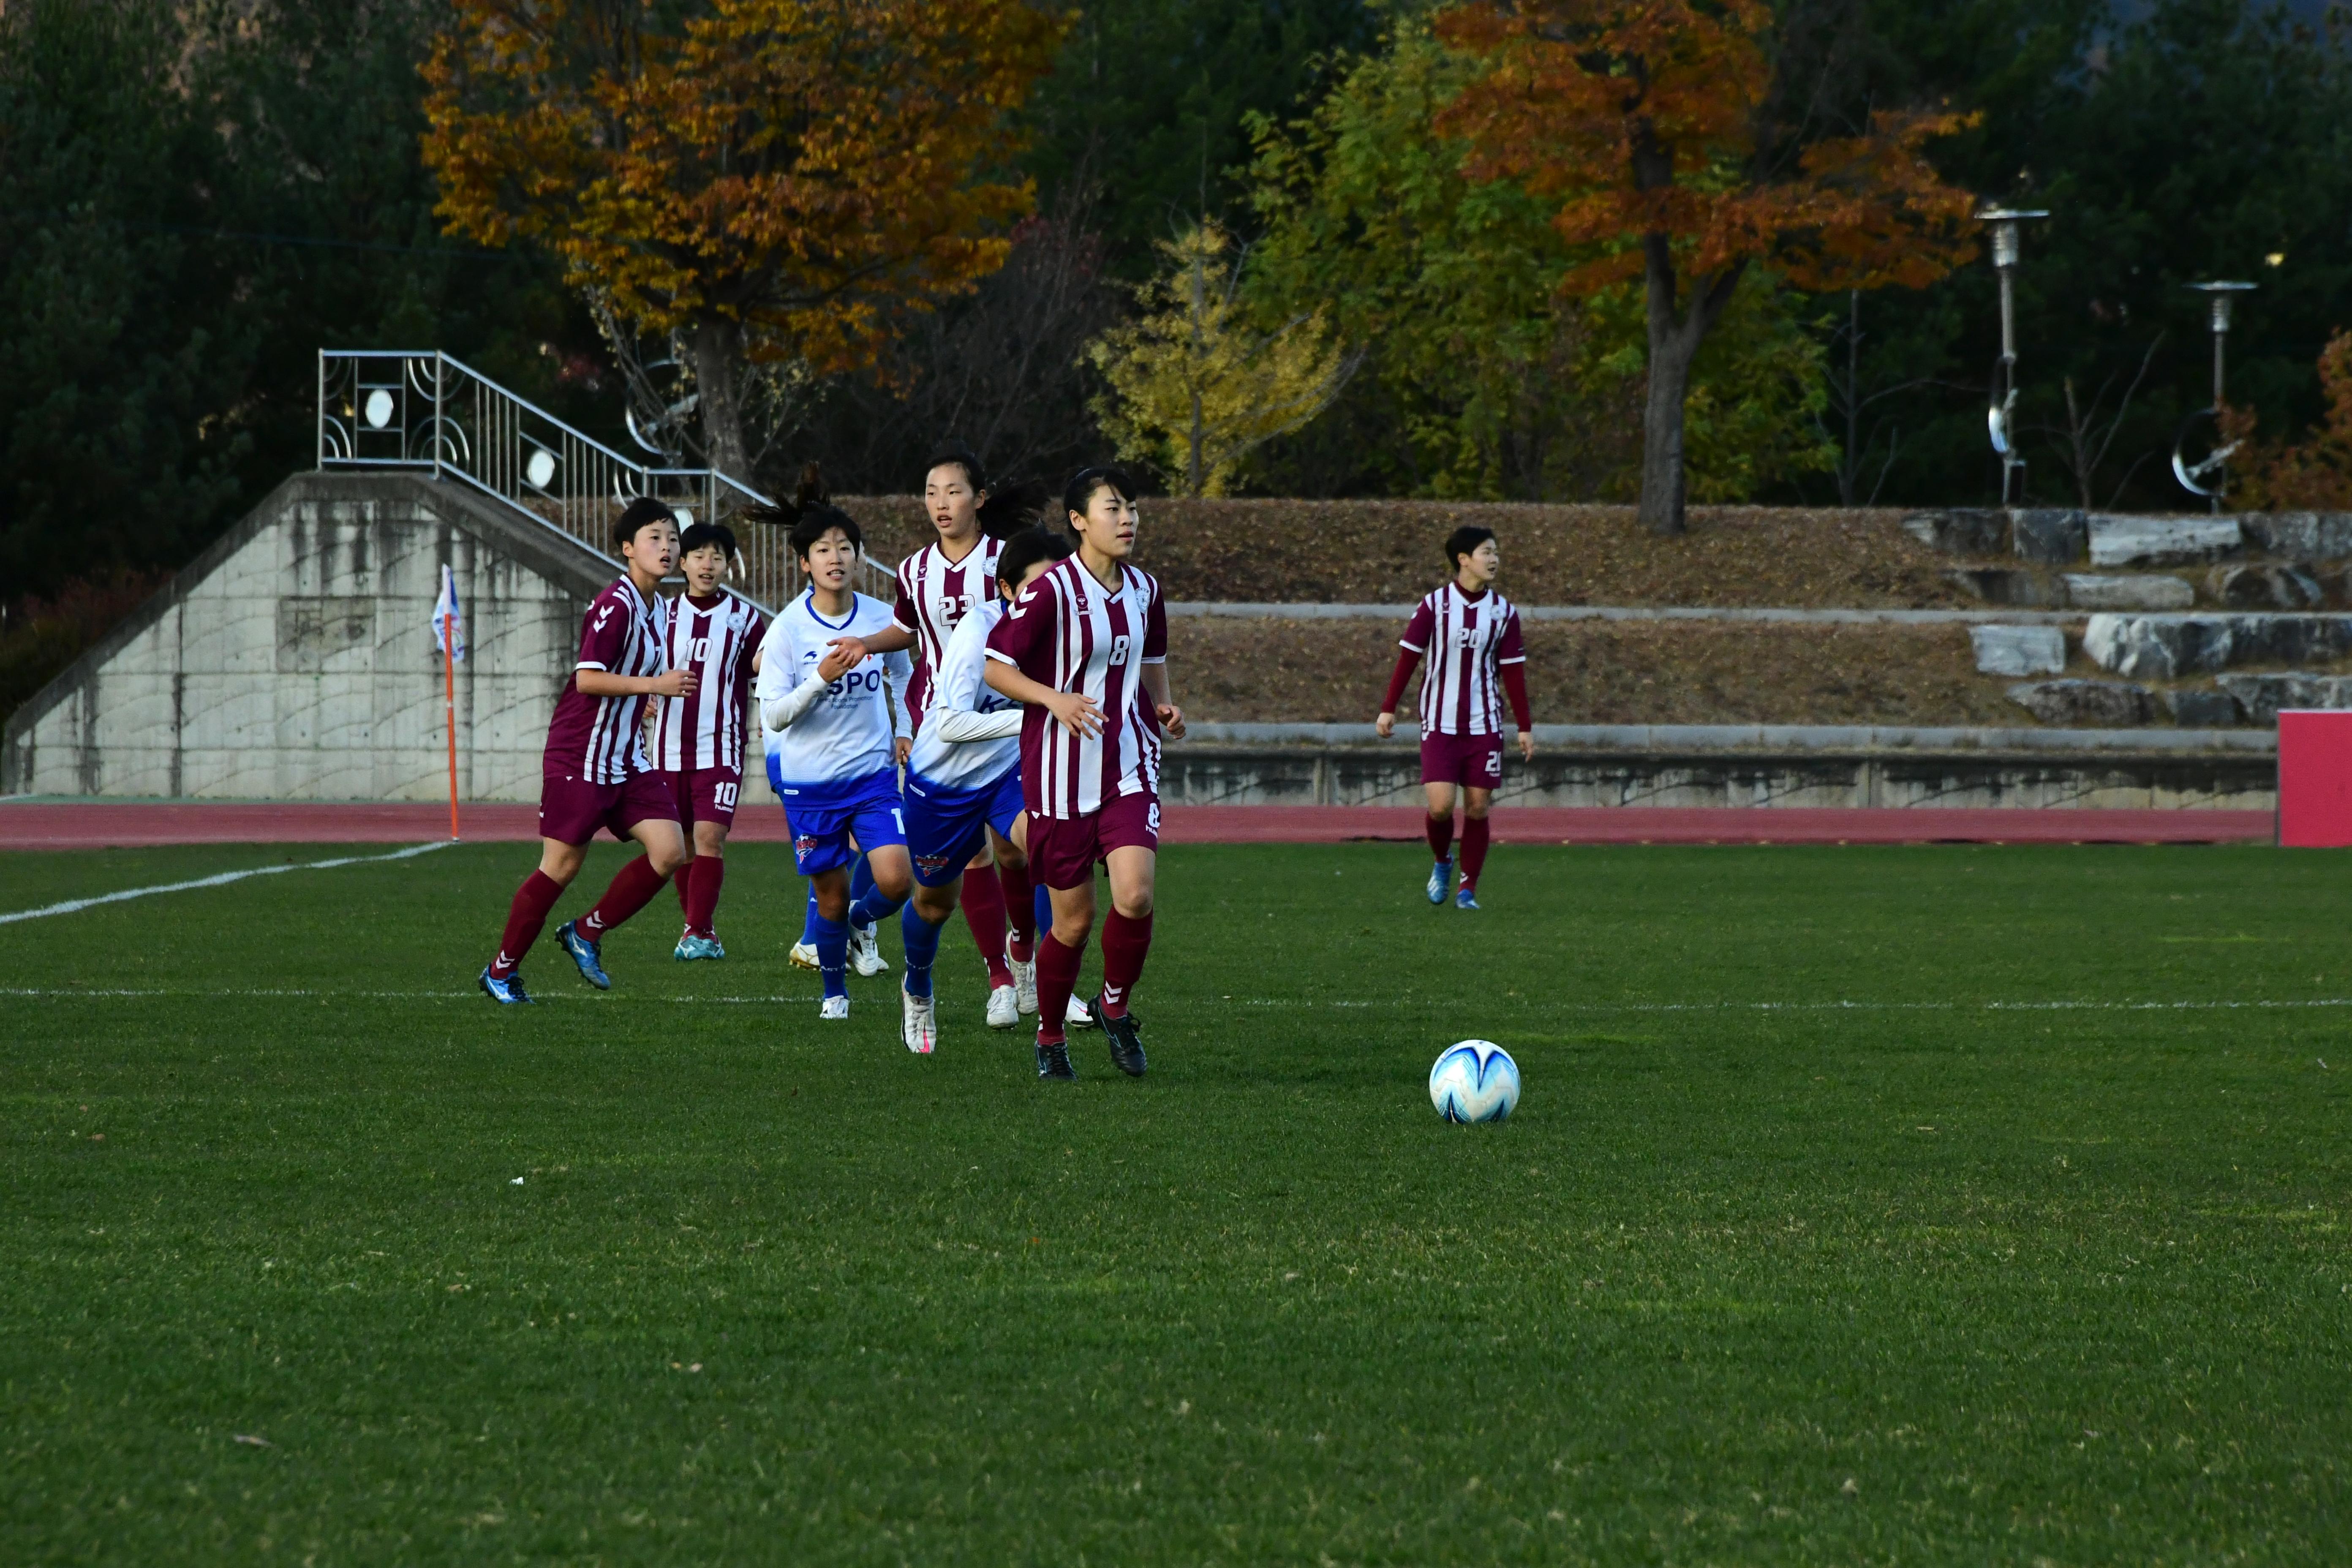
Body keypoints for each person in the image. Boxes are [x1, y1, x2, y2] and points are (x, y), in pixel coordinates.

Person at [984, 465, 1184, 1081]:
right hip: (1059, 776)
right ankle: (1049, 1038)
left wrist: (1165, 708)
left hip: (1127, 764)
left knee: (1137, 893)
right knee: (1071, 923)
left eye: (1132, 509)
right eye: (1112, 509)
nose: (1127, 520)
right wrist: (1054, 699)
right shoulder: (1052, 592)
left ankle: (1115, 1007)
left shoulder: (1146, 589)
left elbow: (1152, 661)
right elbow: (996, 667)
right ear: (1078, 521)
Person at [838, 445, 1048, 1027]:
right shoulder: (914, 569)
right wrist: (866, 645)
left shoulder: (1011, 563)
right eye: (932, 494)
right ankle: (998, 979)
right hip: (944, 738)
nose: (941, 504)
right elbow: (907, 629)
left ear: (979, 499)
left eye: (953, 491)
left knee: (1025, 846)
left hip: (1006, 728)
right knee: (954, 875)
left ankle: (1028, 961)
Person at [480, 498, 696, 1002]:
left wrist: (643, 700)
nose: (667, 548)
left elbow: (623, 679)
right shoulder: (614, 605)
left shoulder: (657, 606)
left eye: (672, 539)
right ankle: (501, 970)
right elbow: (587, 681)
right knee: (561, 866)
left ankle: (587, 931)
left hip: (625, 758)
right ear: (627, 549)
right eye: (654, 538)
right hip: (581, 756)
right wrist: (654, 685)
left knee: (671, 851)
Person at [897, 528, 1075, 1053]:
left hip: (1006, 775)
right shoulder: (979, 632)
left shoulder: (1067, 632)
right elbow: (950, 724)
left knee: (1047, 845)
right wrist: (1034, 716)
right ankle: (918, 986)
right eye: (1038, 587)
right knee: (933, 903)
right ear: (1005, 590)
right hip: (942, 781)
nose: (1051, 599)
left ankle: (1031, 967)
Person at [750, 469, 917, 1025]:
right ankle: (834, 996)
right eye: (824, 550)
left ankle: (858, 922)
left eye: (846, 548)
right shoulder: (788, 630)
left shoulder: (881, 619)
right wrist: (820, 677)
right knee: (828, 895)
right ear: (805, 563)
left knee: (896, 878)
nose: (836, 557)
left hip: (870, 775)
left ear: (859, 556)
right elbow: (772, 712)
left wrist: (906, 729)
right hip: (810, 783)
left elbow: (903, 673)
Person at [1375, 525, 1534, 910]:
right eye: (1486, 552)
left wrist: (1525, 726)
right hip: (1440, 722)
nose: (1494, 559)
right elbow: (1410, 656)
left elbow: (1513, 671)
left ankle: (1468, 889)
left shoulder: (1503, 613)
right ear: (1463, 559)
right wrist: (1388, 707)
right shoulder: (1435, 605)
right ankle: (1443, 860)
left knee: (1478, 806)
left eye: (1496, 552)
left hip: (1485, 724)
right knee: (1441, 807)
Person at [653, 520, 768, 960]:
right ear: (682, 562)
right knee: (680, 843)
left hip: (720, 747)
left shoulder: (744, 618)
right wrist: (646, 693)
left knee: (709, 836)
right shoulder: (662, 613)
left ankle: (698, 932)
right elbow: (642, 665)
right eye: (699, 555)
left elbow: (766, 668)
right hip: (666, 747)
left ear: (727, 566)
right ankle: (698, 928)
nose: (708, 563)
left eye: (717, 556)